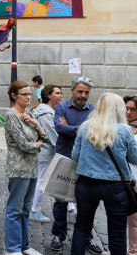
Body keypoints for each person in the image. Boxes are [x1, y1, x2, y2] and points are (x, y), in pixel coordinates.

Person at [71, 93, 137, 255]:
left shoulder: (85, 127)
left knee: (82, 227)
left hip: (87, 183)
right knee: (117, 232)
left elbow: (75, 156)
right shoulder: (125, 130)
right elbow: (134, 158)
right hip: (116, 186)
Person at [50, 76, 102, 254]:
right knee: (60, 201)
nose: (83, 95)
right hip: (65, 159)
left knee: (86, 203)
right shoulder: (62, 107)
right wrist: (83, 129)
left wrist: (71, 127)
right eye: (80, 91)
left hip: (86, 162)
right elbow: (59, 128)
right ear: (72, 90)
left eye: (86, 92)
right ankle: (58, 234)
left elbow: (95, 132)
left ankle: (87, 237)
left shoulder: (94, 110)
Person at [4, 80, 48, 255]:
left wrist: (36, 125)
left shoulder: (30, 113)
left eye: (30, 94)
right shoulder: (11, 115)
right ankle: (12, 248)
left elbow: (46, 138)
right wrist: (37, 143)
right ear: (15, 96)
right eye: (25, 94)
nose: (29, 97)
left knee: (25, 209)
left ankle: (25, 246)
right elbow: (23, 144)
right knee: (14, 209)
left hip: (32, 168)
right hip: (18, 167)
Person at [30, 84, 62, 223]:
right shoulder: (45, 112)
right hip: (46, 152)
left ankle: (72, 210)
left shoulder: (47, 110)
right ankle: (33, 210)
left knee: (58, 179)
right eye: (57, 93)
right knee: (41, 181)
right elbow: (51, 134)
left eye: (61, 93)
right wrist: (64, 147)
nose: (61, 95)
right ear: (48, 95)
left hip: (49, 151)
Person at [125, 95, 137, 255]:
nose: (128, 112)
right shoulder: (126, 128)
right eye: (126, 108)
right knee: (132, 220)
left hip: (134, 180)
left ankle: (133, 251)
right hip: (129, 181)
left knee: (133, 221)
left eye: (133, 109)